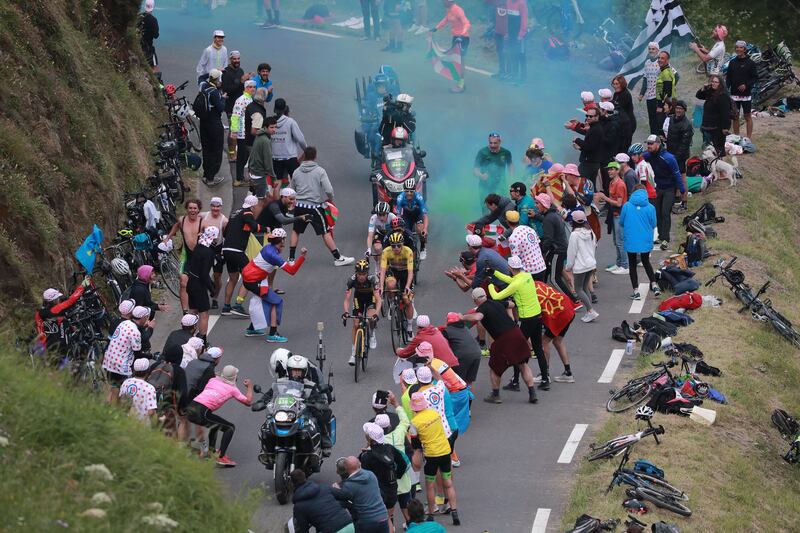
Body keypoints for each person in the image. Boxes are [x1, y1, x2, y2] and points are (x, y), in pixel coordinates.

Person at [463, 288, 538, 405]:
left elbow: (477, 318)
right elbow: (512, 304)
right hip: (516, 333)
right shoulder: (496, 302)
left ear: (475, 300)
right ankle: (532, 393)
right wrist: (508, 313)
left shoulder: (482, 308)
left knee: (494, 368)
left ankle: (495, 394)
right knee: (523, 364)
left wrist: (462, 317)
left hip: (503, 339)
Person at [488, 254, 550, 386]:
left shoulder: (515, 284)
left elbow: (496, 297)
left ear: (510, 266)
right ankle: (545, 379)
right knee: (538, 348)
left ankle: (515, 381)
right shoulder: (527, 276)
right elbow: (512, 280)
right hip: (538, 316)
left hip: (527, 319)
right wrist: (495, 272)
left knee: (517, 349)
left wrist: (490, 285)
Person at [289, 146, 355, 266]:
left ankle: (291, 259)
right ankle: (338, 258)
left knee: (296, 230)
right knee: (325, 232)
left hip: (299, 206)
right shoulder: (320, 171)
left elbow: (291, 190)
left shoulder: (296, 171)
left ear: (304, 156)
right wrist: (330, 200)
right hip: (314, 207)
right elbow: (329, 189)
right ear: (315, 156)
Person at [241, 228, 307, 341]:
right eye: (284, 240)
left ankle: (252, 328)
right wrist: (302, 257)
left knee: (264, 300)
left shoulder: (269, 248)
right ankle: (272, 333)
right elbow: (292, 271)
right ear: (281, 241)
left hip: (251, 278)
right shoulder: (273, 255)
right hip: (253, 280)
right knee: (276, 302)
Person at [408, 393, 460, 525]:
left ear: (414, 407)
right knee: (448, 483)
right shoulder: (434, 414)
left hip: (431, 455)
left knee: (430, 486)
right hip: (445, 451)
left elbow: (415, 444)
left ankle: (431, 514)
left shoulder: (414, 422)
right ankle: (455, 513)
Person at [185, 365, 253, 466]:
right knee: (230, 428)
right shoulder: (232, 389)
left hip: (191, 407)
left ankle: (212, 452)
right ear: (234, 377)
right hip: (202, 412)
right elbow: (248, 402)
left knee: (215, 425)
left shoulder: (212, 380)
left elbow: (218, 376)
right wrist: (250, 387)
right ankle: (221, 457)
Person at [359, 423, 408, 533]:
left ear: (370, 439)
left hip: (376, 493)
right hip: (391, 489)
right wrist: (396, 476)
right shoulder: (389, 448)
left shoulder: (366, 456)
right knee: (388, 518)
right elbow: (403, 464)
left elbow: (364, 477)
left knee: (381, 522)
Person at [221, 195, 262, 316]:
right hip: (237, 250)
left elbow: (226, 231)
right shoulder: (247, 213)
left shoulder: (235, 213)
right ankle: (238, 305)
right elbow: (254, 227)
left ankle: (226, 307)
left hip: (227, 249)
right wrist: (266, 228)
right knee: (250, 275)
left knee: (233, 278)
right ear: (253, 206)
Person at [643, 135, 684, 251]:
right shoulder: (648, 156)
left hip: (669, 188)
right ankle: (661, 236)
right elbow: (637, 159)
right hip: (657, 187)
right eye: (648, 144)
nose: (649, 146)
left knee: (665, 212)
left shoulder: (669, 158)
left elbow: (677, 173)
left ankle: (666, 237)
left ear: (658, 144)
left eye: (651, 144)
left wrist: (681, 189)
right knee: (657, 213)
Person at [620, 185, 661, 300]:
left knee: (632, 264)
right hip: (645, 239)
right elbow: (653, 224)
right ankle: (654, 285)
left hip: (631, 238)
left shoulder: (627, 206)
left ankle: (636, 291)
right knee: (646, 261)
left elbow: (621, 222)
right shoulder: (650, 207)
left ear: (633, 193)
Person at [534, 194, 577, 301]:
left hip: (557, 251)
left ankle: (572, 300)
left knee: (554, 279)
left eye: (537, 203)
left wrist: (542, 252)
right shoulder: (554, 214)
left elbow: (548, 239)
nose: (536, 205)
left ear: (544, 205)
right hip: (560, 249)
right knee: (548, 274)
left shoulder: (549, 218)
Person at [163, 198, 202, 312]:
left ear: (198, 210)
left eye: (195, 208)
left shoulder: (202, 221)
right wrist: (168, 237)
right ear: (186, 209)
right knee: (183, 282)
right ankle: (185, 311)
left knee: (198, 283)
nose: (192, 210)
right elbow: (175, 226)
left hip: (199, 256)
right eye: (190, 208)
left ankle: (197, 305)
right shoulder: (182, 220)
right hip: (186, 256)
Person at [332, 456, 390, 532]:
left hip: (366, 522)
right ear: (359, 464)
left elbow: (340, 504)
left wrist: (336, 490)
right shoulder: (371, 475)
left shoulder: (348, 486)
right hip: (383, 518)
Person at [102, 308, 147, 404]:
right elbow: (137, 354)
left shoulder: (123, 323)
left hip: (109, 361)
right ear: (142, 317)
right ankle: (119, 412)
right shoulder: (135, 332)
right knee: (126, 392)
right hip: (122, 366)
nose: (147, 319)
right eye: (146, 317)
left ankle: (107, 408)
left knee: (114, 387)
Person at [291, 469, 355, 533]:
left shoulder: (298, 507)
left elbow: (302, 530)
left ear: (292, 483)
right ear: (305, 477)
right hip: (349, 526)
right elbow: (347, 495)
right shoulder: (324, 487)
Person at [344, 259, 381, 364]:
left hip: (371, 298)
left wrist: (376, 314)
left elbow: (378, 299)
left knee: (370, 318)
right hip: (358, 299)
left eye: (364, 274)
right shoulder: (351, 280)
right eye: (359, 274)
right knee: (356, 324)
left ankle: (372, 334)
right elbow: (346, 299)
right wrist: (346, 312)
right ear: (356, 273)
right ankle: (353, 353)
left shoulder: (373, 279)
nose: (361, 276)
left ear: (367, 273)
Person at [595, 161, 629, 275]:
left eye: (612, 169)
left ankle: (625, 265)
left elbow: (619, 203)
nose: (609, 171)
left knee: (620, 241)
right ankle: (619, 263)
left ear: (617, 171)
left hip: (620, 215)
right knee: (616, 241)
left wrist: (604, 198)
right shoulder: (611, 183)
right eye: (609, 169)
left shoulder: (620, 184)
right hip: (614, 215)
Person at [564, 210, 599, 322]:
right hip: (590, 264)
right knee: (584, 288)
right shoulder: (590, 232)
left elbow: (571, 252)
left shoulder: (574, 235)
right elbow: (594, 246)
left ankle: (590, 311)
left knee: (578, 289)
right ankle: (589, 311)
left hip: (580, 266)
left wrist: (568, 267)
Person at [379, 232, 415, 336]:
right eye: (393, 246)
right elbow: (382, 271)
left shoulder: (408, 251)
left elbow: (410, 272)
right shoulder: (386, 252)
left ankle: (409, 327)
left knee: (407, 301)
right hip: (393, 272)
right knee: (390, 285)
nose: (396, 248)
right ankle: (392, 303)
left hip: (405, 273)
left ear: (402, 244)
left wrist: (408, 286)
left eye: (398, 245)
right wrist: (381, 286)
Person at [431, 0, 471, 93]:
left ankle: (461, 86)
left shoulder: (458, 10)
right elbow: (446, 19)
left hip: (462, 38)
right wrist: (436, 28)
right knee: (456, 61)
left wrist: (462, 34)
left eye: (444, 1)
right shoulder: (450, 10)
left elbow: (467, 23)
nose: (442, 2)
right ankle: (459, 83)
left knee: (460, 61)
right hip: (456, 37)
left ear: (450, 1)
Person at [272, 98, 307, 199]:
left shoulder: (271, 122)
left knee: (277, 183)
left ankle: (277, 205)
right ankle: (297, 203)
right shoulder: (290, 122)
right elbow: (300, 139)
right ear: (285, 109)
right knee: (297, 181)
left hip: (276, 157)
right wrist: (305, 149)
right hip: (290, 157)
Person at [186, 226, 218, 338]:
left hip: (190, 282)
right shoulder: (208, 252)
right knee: (204, 314)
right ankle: (203, 341)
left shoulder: (198, 247)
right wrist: (212, 289)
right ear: (213, 238)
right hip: (199, 286)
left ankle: (186, 336)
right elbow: (204, 274)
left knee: (192, 311)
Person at [222, 51, 253, 165]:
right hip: (231, 107)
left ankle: (239, 151)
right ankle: (231, 153)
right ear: (231, 59)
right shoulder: (226, 72)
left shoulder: (241, 71)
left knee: (243, 130)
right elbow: (227, 90)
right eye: (234, 59)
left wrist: (249, 81)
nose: (237, 61)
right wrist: (241, 81)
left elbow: (243, 88)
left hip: (242, 106)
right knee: (234, 130)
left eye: (238, 58)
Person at [198, 69, 226, 186]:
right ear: (217, 79)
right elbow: (220, 108)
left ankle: (206, 174)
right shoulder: (215, 92)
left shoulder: (204, 87)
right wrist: (223, 98)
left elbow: (200, 78)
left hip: (204, 124)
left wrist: (211, 72)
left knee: (207, 149)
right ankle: (211, 177)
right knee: (216, 150)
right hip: (214, 125)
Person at [726, 40, 758, 140]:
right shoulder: (732, 62)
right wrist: (726, 90)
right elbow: (729, 78)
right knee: (735, 117)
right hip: (734, 94)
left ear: (744, 49)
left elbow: (755, 77)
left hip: (746, 94)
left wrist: (746, 85)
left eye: (740, 47)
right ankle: (736, 137)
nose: (738, 49)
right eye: (737, 47)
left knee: (747, 116)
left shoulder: (751, 63)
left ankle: (748, 138)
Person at [665, 100, 693, 210]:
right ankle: (676, 198)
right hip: (670, 153)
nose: (678, 110)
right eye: (677, 108)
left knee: (682, 178)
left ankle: (684, 201)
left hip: (680, 156)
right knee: (672, 177)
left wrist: (675, 157)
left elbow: (684, 145)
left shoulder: (687, 125)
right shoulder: (672, 119)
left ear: (684, 110)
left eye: (681, 109)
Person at [201, 197, 228, 310]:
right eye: (213, 206)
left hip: (218, 249)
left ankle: (215, 298)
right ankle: (209, 288)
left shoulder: (224, 220)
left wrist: (223, 251)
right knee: (203, 273)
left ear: (221, 207)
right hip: (205, 248)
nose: (215, 208)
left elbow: (227, 236)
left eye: (217, 206)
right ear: (210, 206)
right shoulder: (203, 216)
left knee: (217, 276)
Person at [473, 132, 513, 208]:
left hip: (500, 185)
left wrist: (511, 180)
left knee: (502, 207)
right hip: (485, 186)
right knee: (486, 207)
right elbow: (475, 170)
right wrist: (481, 175)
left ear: (500, 142)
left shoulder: (506, 153)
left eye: (495, 143)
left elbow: (510, 166)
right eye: (490, 143)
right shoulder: (482, 152)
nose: (492, 145)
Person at [696, 75, 731, 156]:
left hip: (717, 128)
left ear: (720, 84)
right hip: (706, 126)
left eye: (716, 82)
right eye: (712, 82)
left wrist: (725, 127)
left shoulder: (723, 96)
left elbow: (725, 113)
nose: (713, 84)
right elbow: (699, 96)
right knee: (707, 150)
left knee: (717, 150)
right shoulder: (710, 92)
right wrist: (703, 88)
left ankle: (720, 166)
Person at [441, 312, 481, 385]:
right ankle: (469, 396)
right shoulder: (465, 328)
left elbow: (445, 347)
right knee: (469, 381)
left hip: (463, 356)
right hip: (477, 353)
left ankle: (461, 396)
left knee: (459, 381)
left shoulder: (447, 331)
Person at [504, 210, 546, 280]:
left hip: (529, 272)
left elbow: (516, 259)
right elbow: (538, 243)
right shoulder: (530, 229)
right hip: (541, 267)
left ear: (507, 222)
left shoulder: (513, 237)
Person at [230, 79, 257, 186]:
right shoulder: (241, 100)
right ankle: (238, 178)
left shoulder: (251, 99)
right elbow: (235, 116)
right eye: (250, 87)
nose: (252, 89)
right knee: (242, 156)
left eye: (254, 87)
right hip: (242, 133)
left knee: (246, 156)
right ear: (245, 88)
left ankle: (242, 176)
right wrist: (234, 131)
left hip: (249, 132)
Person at [395, 178, 429, 260]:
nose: (409, 193)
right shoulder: (400, 198)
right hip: (406, 216)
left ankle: (423, 247)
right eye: (407, 191)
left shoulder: (419, 198)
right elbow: (398, 216)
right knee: (404, 233)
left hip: (417, 215)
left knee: (420, 230)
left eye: (411, 191)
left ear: (415, 190)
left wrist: (425, 228)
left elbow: (425, 215)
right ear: (404, 191)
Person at [247, 115, 278, 200]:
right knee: (261, 200)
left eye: (275, 127)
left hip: (254, 172)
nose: (274, 129)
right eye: (271, 127)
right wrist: (273, 178)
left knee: (266, 196)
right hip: (259, 175)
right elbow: (268, 162)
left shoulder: (259, 136)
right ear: (265, 127)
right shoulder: (265, 141)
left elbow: (253, 153)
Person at [573, 107, 603, 191]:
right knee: (591, 187)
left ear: (597, 117)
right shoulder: (593, 128)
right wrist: (579, 148)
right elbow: (591, 147)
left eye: (591, 116)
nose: (588, 118)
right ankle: (593, 202)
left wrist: (577, 140)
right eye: (587, 116)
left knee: (581, 186)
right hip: (591, 162)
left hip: (588, 164)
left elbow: (590, 147)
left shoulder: (596, 130)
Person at [243, 88, 269, 183]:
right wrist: (266, 133)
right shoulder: (258, 113)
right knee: (254, 162)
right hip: (253, 142)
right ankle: (252, 180)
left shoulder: (251, 105)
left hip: (247, 139)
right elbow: (254, 131)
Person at [636, 42, 662, 135]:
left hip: (658, 96)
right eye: (650, 49)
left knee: (659, 119)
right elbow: (645, 78)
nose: (651, 51)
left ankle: (660, 141)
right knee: (651, 119)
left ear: (658, 50)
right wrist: (641, 94)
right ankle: (653, 137)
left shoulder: (661, 62)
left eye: (653, 49)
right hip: (649, 96)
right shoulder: (647, 63)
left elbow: (675, 76)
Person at [504, 0, 528, 84]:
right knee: (512, 54)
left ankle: (523, 78)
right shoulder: (508, 2)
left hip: (519, 34)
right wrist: (506, 32)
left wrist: (521, 34)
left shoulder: (522, 3)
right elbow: (506, 18)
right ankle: (514, 75)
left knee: (521, 56)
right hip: (510, 34)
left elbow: (524, 19)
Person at [612, 74, 636, 150]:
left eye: (617, 84)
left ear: (622, 84)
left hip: (628, 124)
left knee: (624, 146)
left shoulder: (625, 94)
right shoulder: (616, 94)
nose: (615, 86)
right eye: (614, 84)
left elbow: (618, 108)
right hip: (621, 123)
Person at [655, 51, 677, 131]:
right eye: (658, 58)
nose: (659, 60)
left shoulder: (666, 73)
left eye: (662, 58)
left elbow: (667, 92)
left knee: (663, 129)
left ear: (667, 61)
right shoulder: (664, 70)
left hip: (666, 105)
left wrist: (661, 106)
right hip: (666, 103)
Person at [138, 0, 159, 69]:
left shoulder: (139, 17)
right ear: (153, 7)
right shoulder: (153, 20)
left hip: (138, 46)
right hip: (148, 48)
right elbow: (156, 35)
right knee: (154, 66)